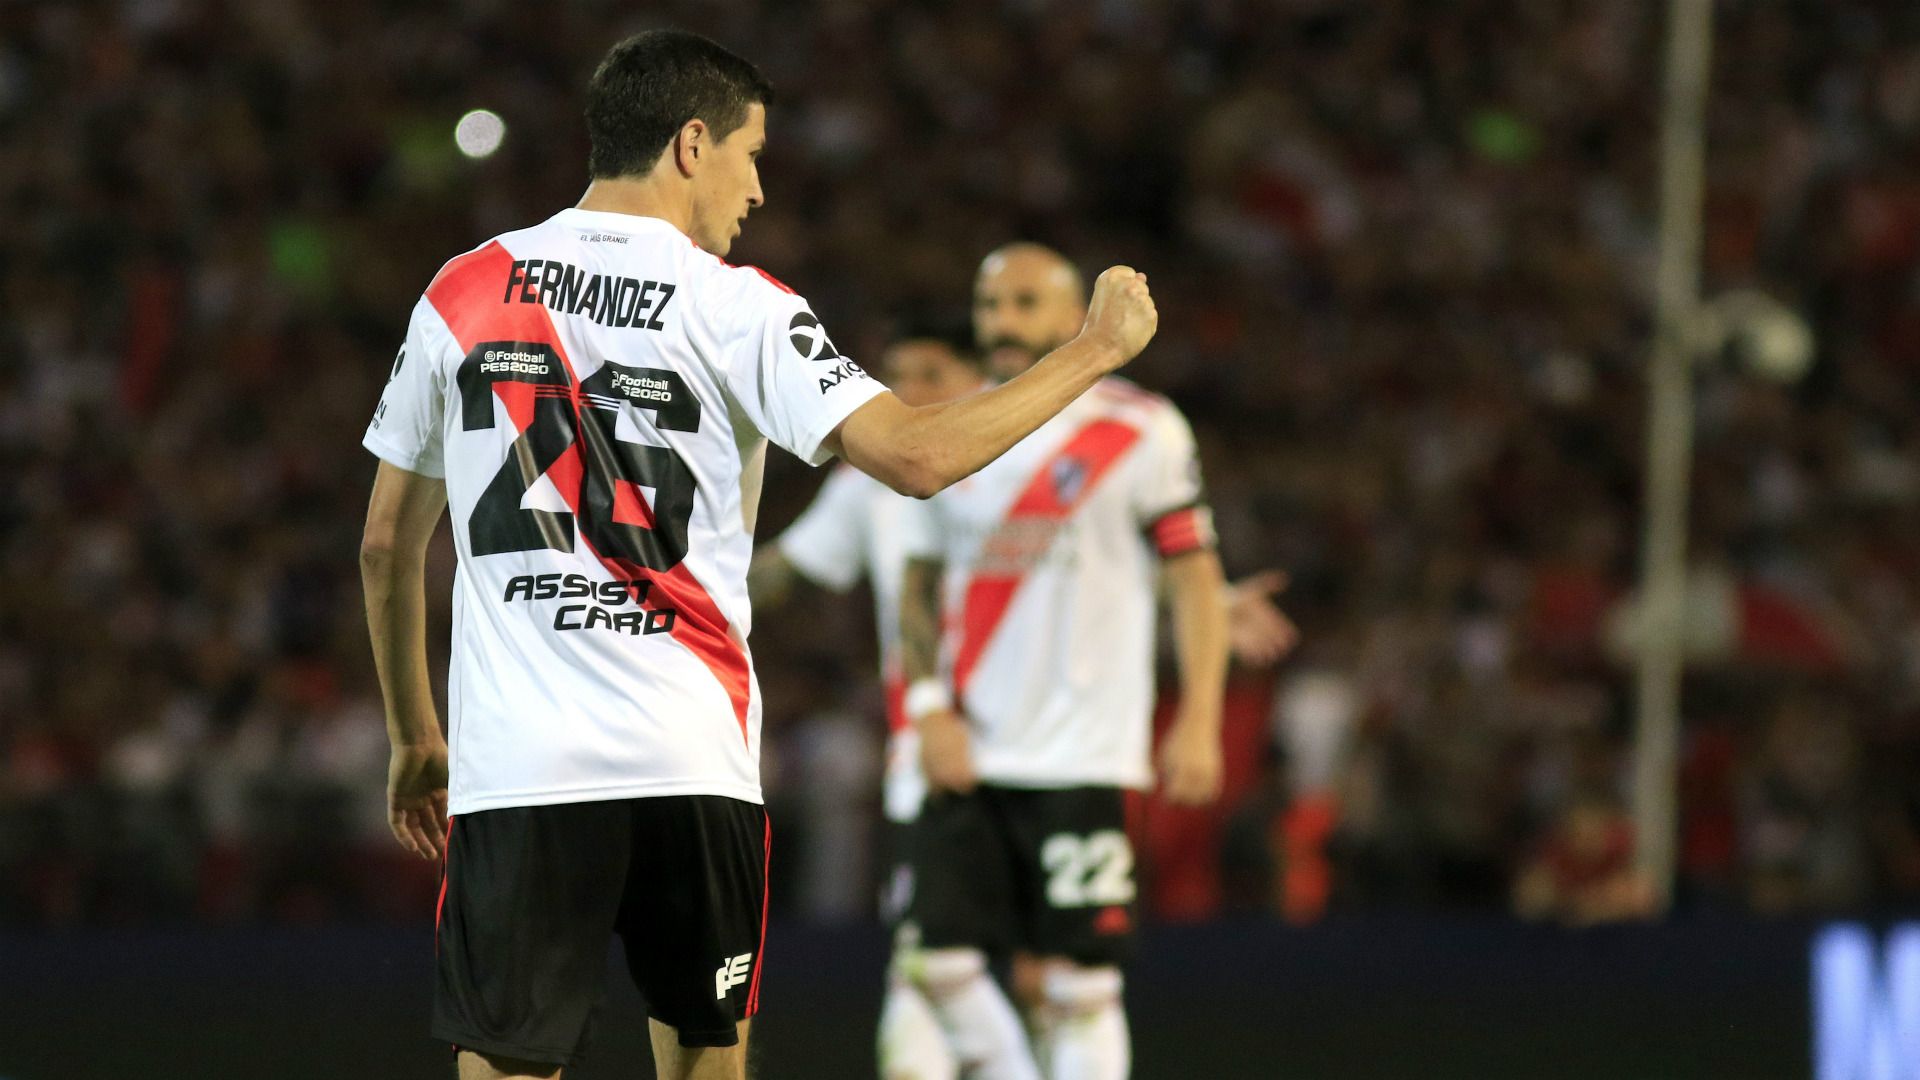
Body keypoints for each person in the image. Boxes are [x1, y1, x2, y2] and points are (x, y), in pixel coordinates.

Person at [357, 30, 1161, 1080]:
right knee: (704, 1058)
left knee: (508, 1064)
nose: (760, 189)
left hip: (520, 769)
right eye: (752, 154)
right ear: (692, 144)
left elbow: (385, 545)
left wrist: (417, 733)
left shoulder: (463, 289)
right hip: (689, 759)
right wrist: (1092, 352)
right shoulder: (738, 305)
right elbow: (918, 458)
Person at [895, 243, 1232, 1080]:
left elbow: (1195, 582)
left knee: (1082, 985)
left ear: (1073, 312)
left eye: (1023, 304)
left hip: (1085, 752)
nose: (1001, 324)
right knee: (932, 962)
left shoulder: (1142, 429)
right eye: (988, 307)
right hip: (971, 747)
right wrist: (927, 706)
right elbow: (916, 586)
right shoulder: (956, 429)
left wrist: (1199, 719)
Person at [749, 327, 987, 1080]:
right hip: (931, 753)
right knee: (928, 963)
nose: (907, 392)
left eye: (931, 371)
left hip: (1041, 744)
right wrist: (670, 574)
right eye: (893, 376)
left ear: (978, 377)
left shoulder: (1030, 462)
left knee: (1040, 975)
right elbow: (781, 570)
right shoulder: (868, 480)